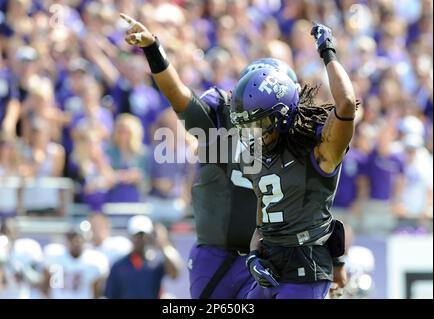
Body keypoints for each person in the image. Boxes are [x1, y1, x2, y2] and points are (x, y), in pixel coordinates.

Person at [121, 13, 346, 299]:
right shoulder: (219, 117)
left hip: (272, 256)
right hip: (218, 252)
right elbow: (178, 95)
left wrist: (335, 262)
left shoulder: (295, 137)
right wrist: (153, 49)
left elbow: (316, 204)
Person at [227, 22, 355, 299]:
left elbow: (345, 106)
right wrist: (252, 257)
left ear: (283, 114)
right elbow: (264, 220)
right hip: (271, 267)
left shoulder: (319, 151)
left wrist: (328, 52)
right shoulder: (257, 155)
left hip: (305, 266)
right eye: (248, 126)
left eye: (260, 123)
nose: (255, 133)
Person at [104, 215, 182, 299]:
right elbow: (110, 295)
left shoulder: (157, 261)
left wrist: (163, 244)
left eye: (144, 235)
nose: (141, 239)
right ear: (130, 237)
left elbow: (175, 274)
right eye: (137, 235)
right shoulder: (119, 266)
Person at [43, 228, 109, 299]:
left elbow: (96, 288)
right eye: (72, 239)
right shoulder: (55, 257)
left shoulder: (93, 260)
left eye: (78, 239)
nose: (76, 242)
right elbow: (46, 282)